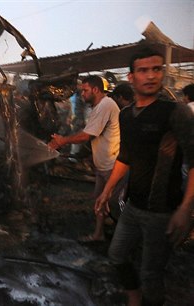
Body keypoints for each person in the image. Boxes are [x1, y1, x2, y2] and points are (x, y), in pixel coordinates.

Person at [95, 47, 194, 306]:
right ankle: (134, 297)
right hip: (131, 206)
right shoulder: (126, 115)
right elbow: (125, 157)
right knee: (116, 255)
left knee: (151, 273)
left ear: (162, 72)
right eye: (143, 70)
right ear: (131, 77)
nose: (150, 76)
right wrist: (107, 191)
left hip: (161, 212)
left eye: (156, 69)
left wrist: (186, 208)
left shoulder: (176, 113)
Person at [48, 75, 126, 242]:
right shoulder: (98, 107)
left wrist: (63, 141)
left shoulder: (106, 105)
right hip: (103, 166)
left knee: (116, 204)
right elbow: (95, 137)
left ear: (96, 90)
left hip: (113, 167)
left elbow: (86, 136)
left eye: (85, 90)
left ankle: (127, 239)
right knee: (99, 201)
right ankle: (99, 234)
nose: (82, 94)